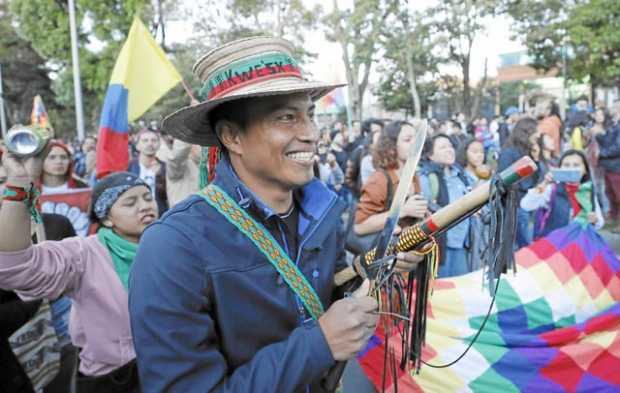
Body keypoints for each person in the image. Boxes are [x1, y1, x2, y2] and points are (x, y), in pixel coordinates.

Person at [129, 36, 421, 392]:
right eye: (287, 118)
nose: (312, 134)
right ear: (232, 137)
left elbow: (313, 298)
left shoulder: (322, 215)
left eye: (310, 116)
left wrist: (367, 271)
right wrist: (318, 345)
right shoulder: (174, 246)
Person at [0, 153, 158, 393]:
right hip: (112, 380)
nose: (145, 205)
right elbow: (13, 266)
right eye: (130, 203)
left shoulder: (171, 245)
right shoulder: (83, 253)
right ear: (106, 218)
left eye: (148, 198)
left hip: (168, 370)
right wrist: (19, 184)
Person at [354, 121, 428, 236]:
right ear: (391, 147)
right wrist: (402, 211)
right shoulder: (379, 179)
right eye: (408, 140)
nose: (415, 143)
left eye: (416, 138)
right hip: (383, 251)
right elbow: (359, 227)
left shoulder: (413, 175)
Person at [419, 134, 472, 277]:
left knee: (461, 289)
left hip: (463, 243)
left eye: (450, 146)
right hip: (442, 245)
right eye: (443, 147)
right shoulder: (427, 177)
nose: (449, 150)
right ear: (430, 155)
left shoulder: (461, 174)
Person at [521, 149, 604, 239]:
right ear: (559, 168)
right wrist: (544, 183)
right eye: (566, 165)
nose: (571, 168)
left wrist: (595, 220)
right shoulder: (551, 190)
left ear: (585, 170)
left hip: (580, 245)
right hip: (554, 245)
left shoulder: (587, 191)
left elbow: (599, 222)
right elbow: (526, 205)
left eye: (576, 165)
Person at [497, 117, 543, 248]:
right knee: (521, 248)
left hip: (527, 203)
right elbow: (503, 180)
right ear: (527, 132)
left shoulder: (529, 152)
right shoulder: (509, 153)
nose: (538, 135)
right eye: (536, 131)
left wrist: (536, 159)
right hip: (516, 205)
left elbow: (534, 180)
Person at [128, 128, 168, 216]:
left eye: (154, 140)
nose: (150, 144)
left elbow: (168, 195)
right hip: (134, 215)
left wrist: (159, 176)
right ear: (137, 145)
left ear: (159, 144)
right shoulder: (129, 167)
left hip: (159, 215)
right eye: (145, 141)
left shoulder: (165, 167)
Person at [594, 100, 620, 233]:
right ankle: (614, 217)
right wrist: (599, 135)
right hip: (610, 166)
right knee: (610, 193)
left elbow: (618, 147)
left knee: (618, 194)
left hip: (617, 167)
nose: (611, 108)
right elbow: (608, 141)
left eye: (615, 106)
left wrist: (602, 153)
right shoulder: (614, 124)